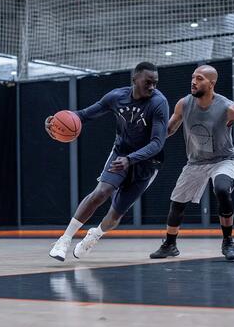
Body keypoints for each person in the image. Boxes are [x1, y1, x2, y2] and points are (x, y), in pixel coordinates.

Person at [149, 65, 234, 261]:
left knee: (222, 189)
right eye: (193, 77)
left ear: (211, 83)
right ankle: (170, 244)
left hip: (223, 159)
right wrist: (150, 144)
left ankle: (228, 241)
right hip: (195, 162)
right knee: (177, 203)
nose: (194, 81)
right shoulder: (184, 104)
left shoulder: (228, 108)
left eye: (199, 78)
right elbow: (170, 128)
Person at [46, 62, 169, 261]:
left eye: (155, 83)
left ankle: (94, 235)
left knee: (114, 214)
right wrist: (57, 122)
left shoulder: (158, 103)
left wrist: (131, 159)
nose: (152, 87)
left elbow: (157, 143)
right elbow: (83, 115)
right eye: (148, 82)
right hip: (120, 153)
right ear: (135, 79)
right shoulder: (116, 97)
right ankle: (64, 240)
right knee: (101, 192)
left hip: (147, 162)